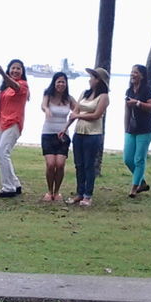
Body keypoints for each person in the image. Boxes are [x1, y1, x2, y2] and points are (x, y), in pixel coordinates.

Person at [67, 66, 110, 207]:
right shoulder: (84, 94)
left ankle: (88, 195)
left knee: (89, 165)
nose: (89, 80)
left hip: (93, 135)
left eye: (92, 77)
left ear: (98, 80)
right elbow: (75, 111)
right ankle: (79, 193)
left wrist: (78, 115)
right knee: (79, 165)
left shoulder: (103, 97)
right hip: (79, 133)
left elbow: (96, 115)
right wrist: (66, 127)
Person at [0, 59, 28, 198]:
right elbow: (0, 107)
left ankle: (8, 187)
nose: (15, 71)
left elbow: (15, 86)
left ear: (22, 72)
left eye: (18, 69)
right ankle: (15, 183)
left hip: (14, 122)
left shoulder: (23, 85)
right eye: (13, 68)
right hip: (2, 123)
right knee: (0, 153)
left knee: (3, 153)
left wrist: (3, 74)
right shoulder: (5, 88)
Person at [123, 63, 151, 197]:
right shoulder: (129, 91)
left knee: (139, 159)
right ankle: (142, 182)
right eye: (132, 72)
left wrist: (137, 103)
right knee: (127, 159)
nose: (132, 74)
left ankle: (133, 188)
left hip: (145, 129)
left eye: (135, 72)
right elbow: (126, 109)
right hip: (131, 129)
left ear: (142, 76)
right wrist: (125, 128)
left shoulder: (148, 90)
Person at [39, 71, 73, 202]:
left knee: (60, 165)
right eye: (58, 81)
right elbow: (43, 105)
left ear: (66, 83)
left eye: (63, 82)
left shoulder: (69, 98)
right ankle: (49, 191)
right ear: (54, 83)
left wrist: (70, 122)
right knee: (50, 164)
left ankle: (57, 191)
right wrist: (47, 110)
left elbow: (78, 110)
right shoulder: (48, 95)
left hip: (63, 135)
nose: (61, 84)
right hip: (48, 133)